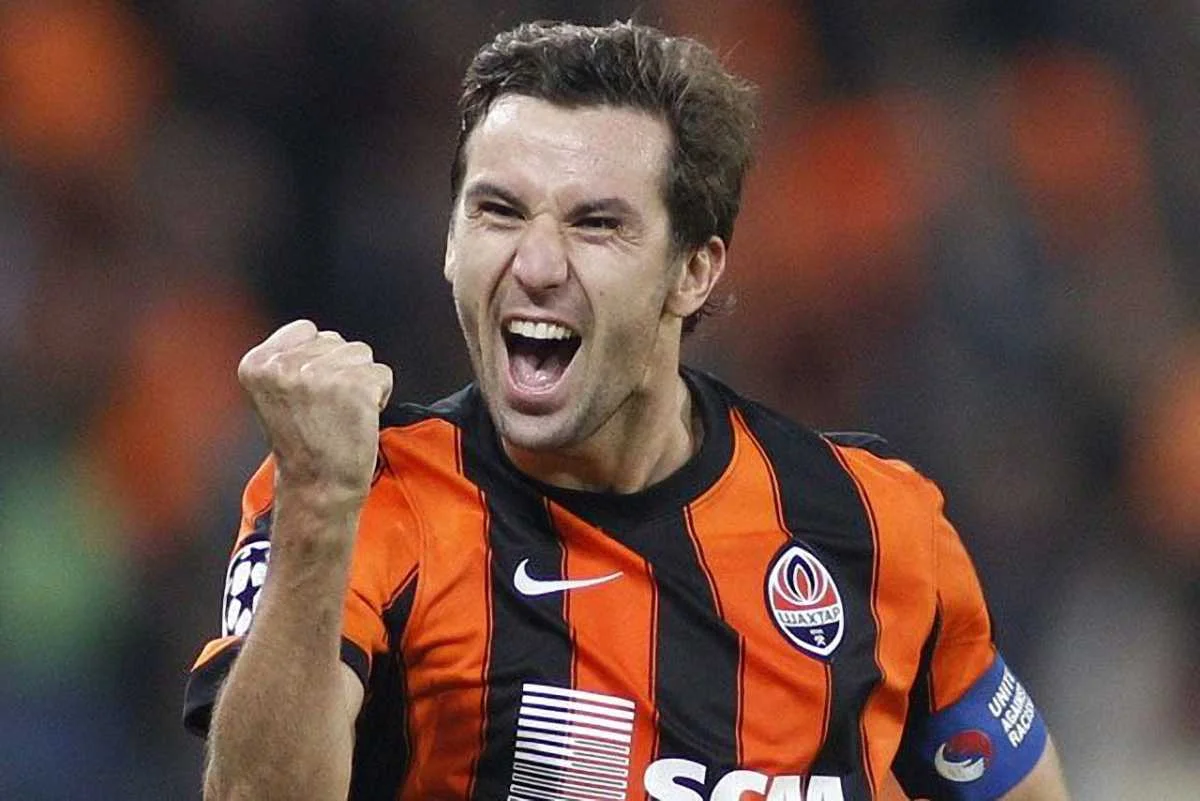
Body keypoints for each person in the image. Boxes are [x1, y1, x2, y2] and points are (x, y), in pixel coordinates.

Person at [184, 20, 1071, 801]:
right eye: (498, 211)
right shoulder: (364, 499)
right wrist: (317, 508)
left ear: (694, 271)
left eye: (596, 224)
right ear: (451, 242)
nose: (537, 263)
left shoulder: (873, 527)